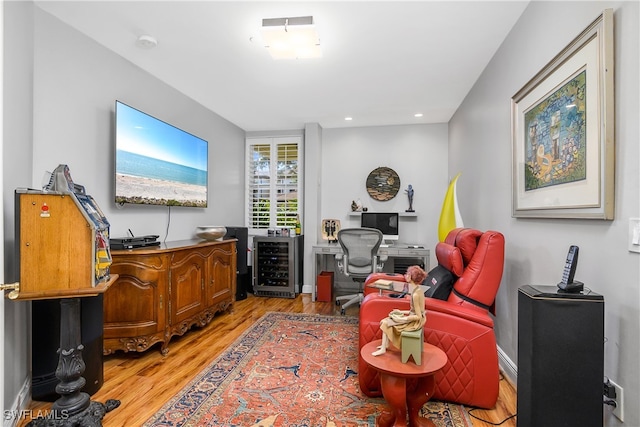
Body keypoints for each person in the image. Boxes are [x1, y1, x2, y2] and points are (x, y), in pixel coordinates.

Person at [372, 265, 427, 356]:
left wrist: (402, 319)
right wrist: (400, 312)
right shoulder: (417, 290)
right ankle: (385, 344)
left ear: (410, 277)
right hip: (412, 317)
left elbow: (418, 316)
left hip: (415, 322)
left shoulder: (415, 295)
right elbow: (414, 311)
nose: (406, 275)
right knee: (384, 321)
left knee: (385, 323)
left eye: (407, 274)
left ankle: (383, 349)